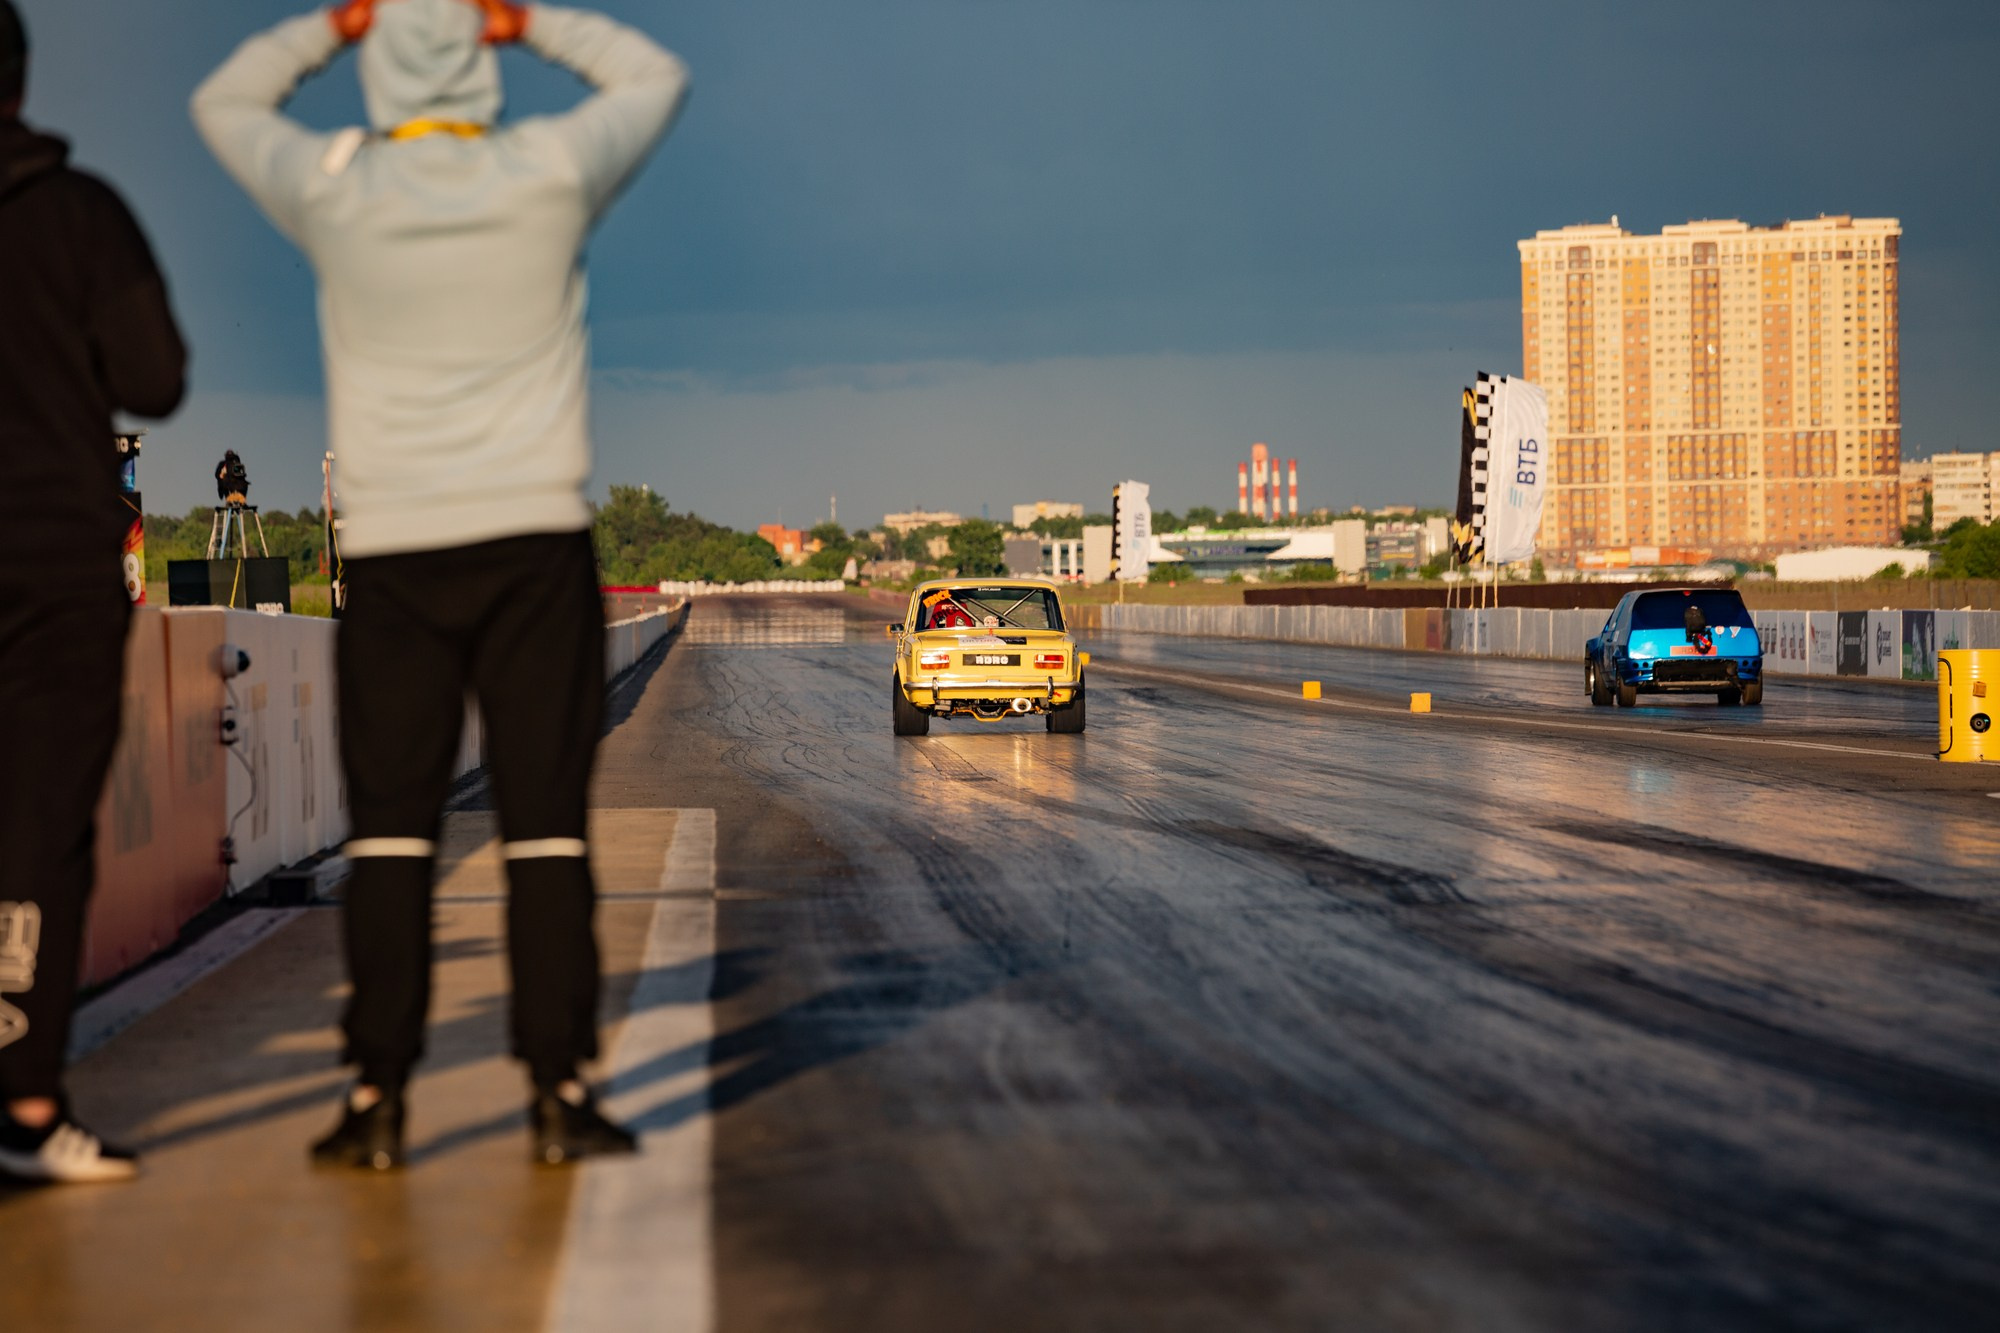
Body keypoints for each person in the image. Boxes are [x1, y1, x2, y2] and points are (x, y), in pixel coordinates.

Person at [192, 0, 688, 1170]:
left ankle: (375, 1098)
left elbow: (223, 103)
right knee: (546, 837)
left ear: (377, 65)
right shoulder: (548, 169)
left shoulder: (337, 186)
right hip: (531, 548)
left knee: (398, 839)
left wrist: (329, 25)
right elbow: (652, 75)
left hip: (398, 558)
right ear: (478, 58)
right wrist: (534, 25)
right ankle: (560, 1091)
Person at [0, 0, 188, 1183]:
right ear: (18, 82)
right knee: (37, 830)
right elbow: (155, 382)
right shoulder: (79, 214)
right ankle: (23, 1107)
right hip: (45, 565)